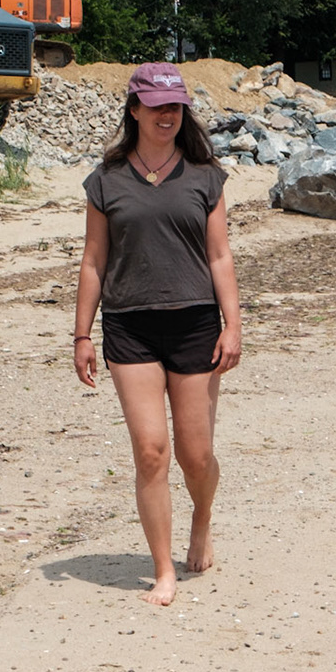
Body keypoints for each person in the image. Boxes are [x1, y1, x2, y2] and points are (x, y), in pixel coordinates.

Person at [73, 63, 242, 606]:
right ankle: (163, 570)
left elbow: (219, 256)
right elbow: (93, 260)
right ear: (135, 110)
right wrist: (82, 335)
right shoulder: (106, 180)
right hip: (130, 325)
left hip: (196, 324)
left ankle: (202, 519)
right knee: (150, 452)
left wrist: (233, 325)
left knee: (196, 456)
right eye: (156, 106)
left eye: (175, 107)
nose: (167, 115)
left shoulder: (205, 176)